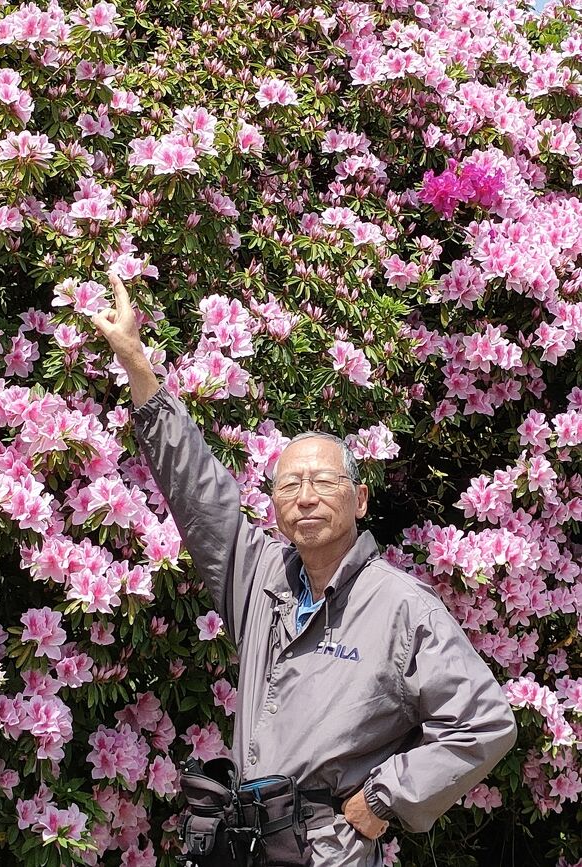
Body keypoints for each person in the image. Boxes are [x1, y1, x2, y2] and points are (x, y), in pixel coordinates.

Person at [93, 274, 517, 866]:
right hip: (243, 848)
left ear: (361, 500)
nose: (306, 496)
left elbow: (484, 723)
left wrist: (385, 798)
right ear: (275, 506)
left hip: (328, 851)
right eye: (290, 484)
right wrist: (136, 363)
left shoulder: (401, 608)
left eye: (323, 482)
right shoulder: (260, 576)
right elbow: (199, 496)